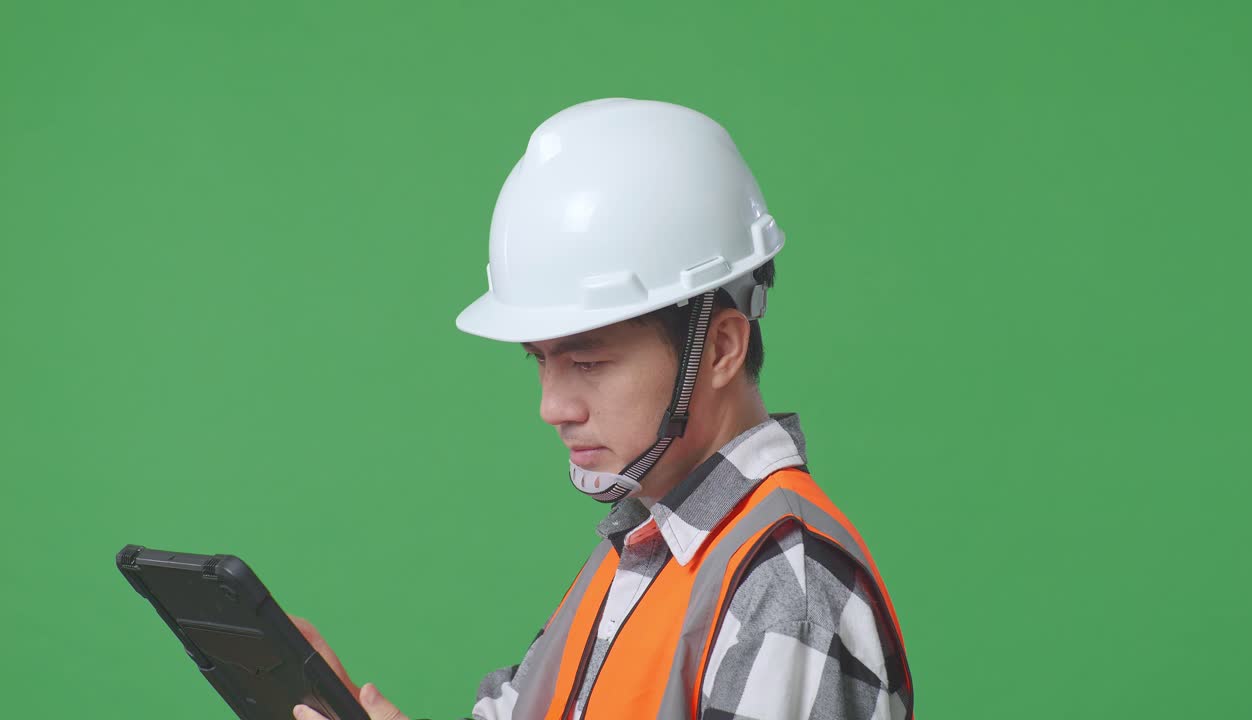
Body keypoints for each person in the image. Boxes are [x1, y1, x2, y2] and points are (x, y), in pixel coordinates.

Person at [292, 98, 914, 720]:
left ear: (721, 346)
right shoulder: (644, 547)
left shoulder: (783, 585)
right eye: (539, 359)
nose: (551, 406)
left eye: (587, 363)